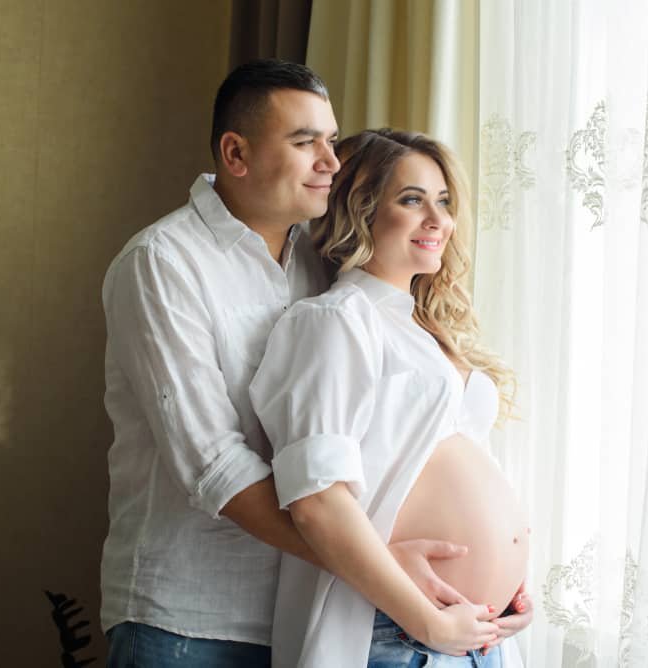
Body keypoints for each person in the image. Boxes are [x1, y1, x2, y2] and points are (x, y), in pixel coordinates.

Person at [99, 61, 479, 667]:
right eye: (305, 142)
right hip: (190, 621)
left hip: (306, 611)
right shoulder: (162, 262)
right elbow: (214, 464)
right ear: (236, 153)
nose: (330, 161)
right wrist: (383, 565)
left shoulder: (323, 258)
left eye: (331, 141)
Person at [250, 129, 533, 667]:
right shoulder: (336, 321)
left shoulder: (425, 331)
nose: (438, 220)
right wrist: (426, 621)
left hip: (476, 636)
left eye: (444, 202)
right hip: (396, 633)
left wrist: (512, 584)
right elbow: (317, 501)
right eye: (412, 199)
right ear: (360, 209)